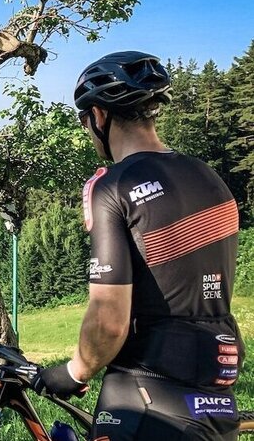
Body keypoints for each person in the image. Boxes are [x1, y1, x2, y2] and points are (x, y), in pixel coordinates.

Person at [31, 51, 244, 440]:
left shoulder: (112, 186)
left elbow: (109, 319)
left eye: (84, 120)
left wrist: (73, 373)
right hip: (217, 377)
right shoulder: (207, 175)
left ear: (98, 115)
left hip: (146, 386)